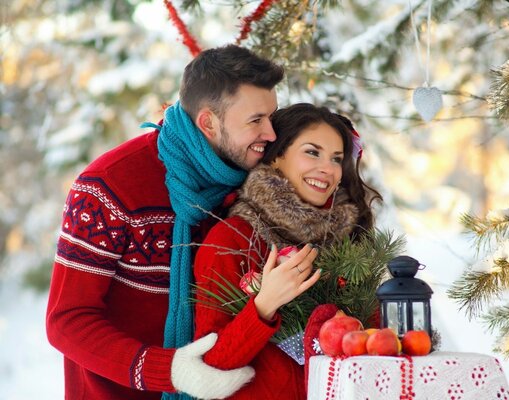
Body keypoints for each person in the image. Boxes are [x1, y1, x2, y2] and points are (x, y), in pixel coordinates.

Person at [45, 44, 314, 400]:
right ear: (207, 122)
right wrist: (169, 370)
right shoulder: (110, 186)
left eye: (271, 116)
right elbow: (67, 321)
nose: (271, 133)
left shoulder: (249, 191)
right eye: (255, 120)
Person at [192, 103, 381, 399]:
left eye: (336, 159)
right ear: (278, 155)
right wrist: (264, 305)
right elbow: (209, 366)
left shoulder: (350, 240)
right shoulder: (233, 239)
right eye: (312, 152)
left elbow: (376, 349)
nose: (327, 169)